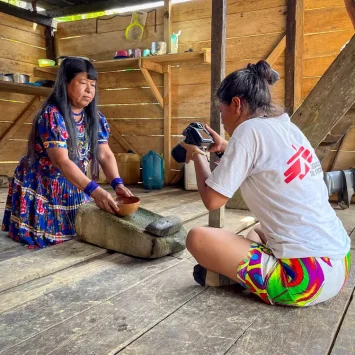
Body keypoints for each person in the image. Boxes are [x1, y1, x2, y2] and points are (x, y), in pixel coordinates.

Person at [181, 60, 351, 307]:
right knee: (257, 231)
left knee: (196, 238)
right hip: (339, 264)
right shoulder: (287, 127)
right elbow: (268, 160)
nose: (223, 119)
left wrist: (197, 153)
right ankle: (233, 276)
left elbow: (212, 200)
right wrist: (225, 147)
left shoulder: (247, 131)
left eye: (222, 111)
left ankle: (234, 277)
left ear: (236, 104)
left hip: (305, 282)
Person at [2, 57, 133, 248]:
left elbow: (105, 154)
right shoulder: (52, 115)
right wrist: (95, 191)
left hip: (73, 180)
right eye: (83, 83)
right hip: (44, 182)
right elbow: (61, 162)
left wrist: (117, 183)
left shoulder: (95, 118)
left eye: (93, 85)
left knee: (83, 228)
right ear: (65, 83)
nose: (89, 90)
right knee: (53, 237)